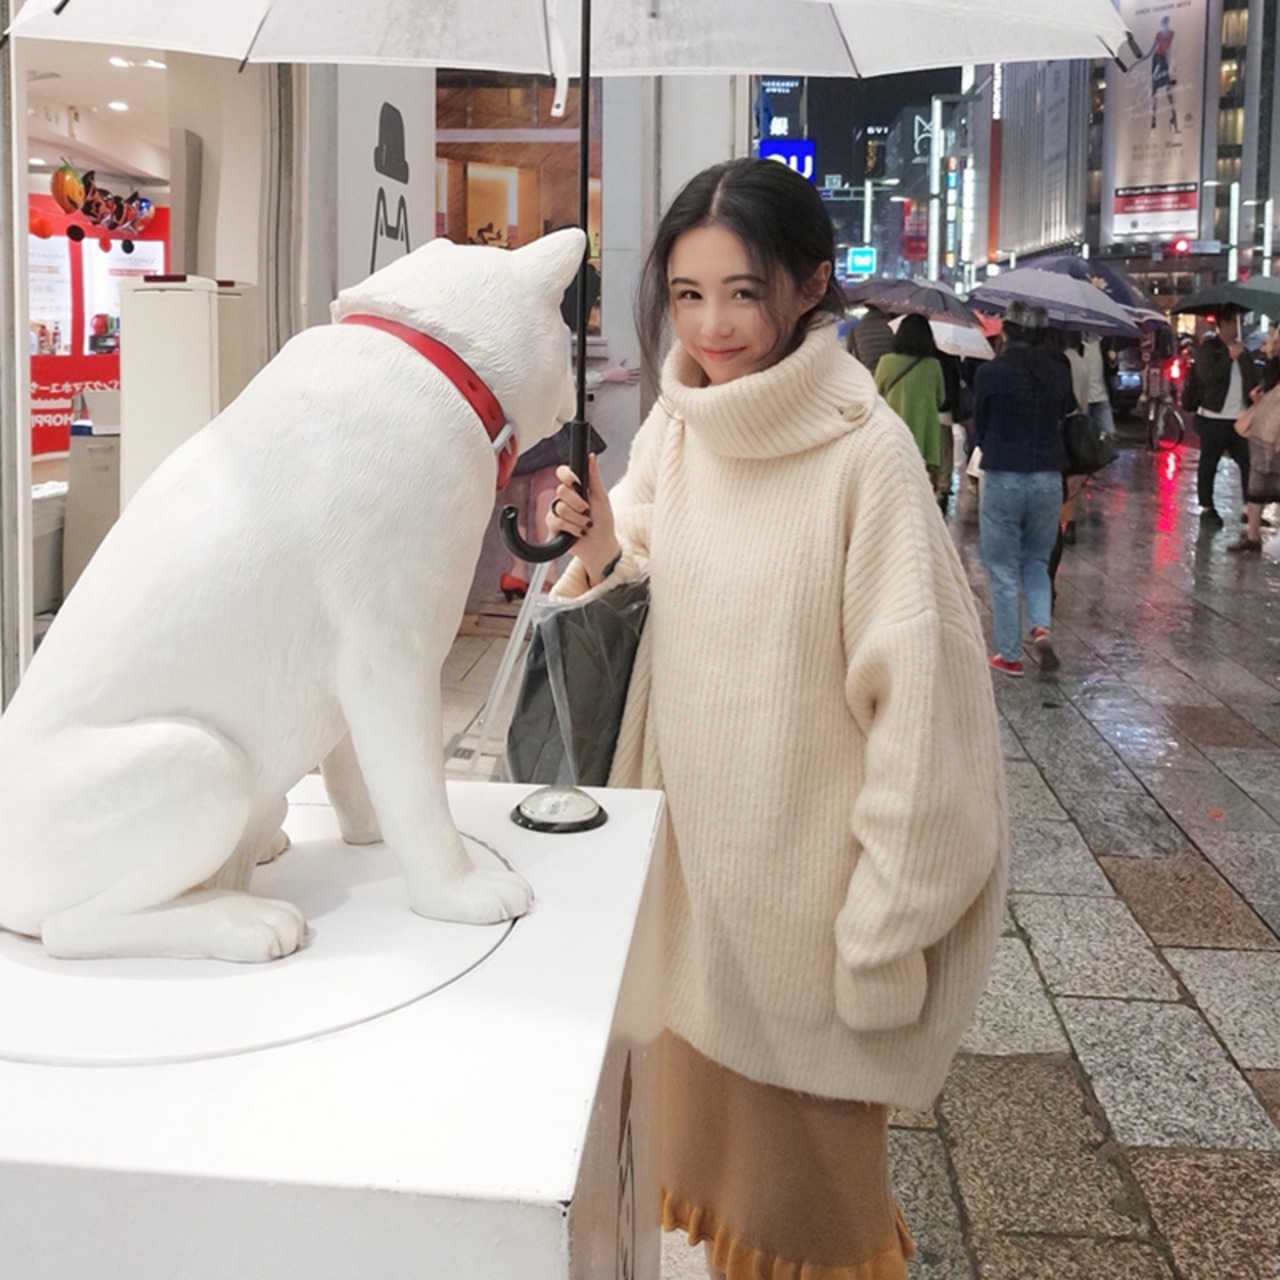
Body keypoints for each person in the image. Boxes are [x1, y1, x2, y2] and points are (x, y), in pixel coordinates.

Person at [544, 158, 1006, 1280]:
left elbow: (927, 730)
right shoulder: (680, 427)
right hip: (690, 916)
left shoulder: (864, 457)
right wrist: (599, 542)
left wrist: (880, 938)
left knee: (810, 1235)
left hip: (808, 939)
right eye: (688, 293)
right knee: (711, 1208)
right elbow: (640, 576)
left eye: (742, 292)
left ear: (808, 283)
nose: (712, 327)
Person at [972, 301, 1075, 676]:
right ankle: (1041, 627)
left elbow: (980, 427)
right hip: (1048, 476)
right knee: (1036, 561)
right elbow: (1066, 413)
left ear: (1007, 331)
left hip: (1003, 474)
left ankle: (1009, 654)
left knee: (1001, 568)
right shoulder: (1058, 369)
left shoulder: (990, 373)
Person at [1182, 309, 1256, 525]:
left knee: (1247, 463)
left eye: (1238, 322)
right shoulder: (1209, 349)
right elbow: (1208, 378)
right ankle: (1207, 506)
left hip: (1239, 418)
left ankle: (1250, 508)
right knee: (1209, 463)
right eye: (1232, 322)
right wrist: (1228, 358)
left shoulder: (1243, 351)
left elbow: (1251, 379)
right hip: (1213, 417)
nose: (1236, 327)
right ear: (1222, 324)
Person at [873, 314, 947, 513]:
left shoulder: (886, 362)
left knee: (894, 485)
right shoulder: (933, 365)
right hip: (925, 434)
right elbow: (940, 398)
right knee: (920, 488)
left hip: (893, 432)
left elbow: (876, 394)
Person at [1227, 324, 1280, 553]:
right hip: (1265, 429)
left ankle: (1254, 536)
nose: (1271, 338)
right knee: (1257, 480)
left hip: (1272, 430)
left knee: (1264, 478)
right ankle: (1252, 535)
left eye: (1273, 333)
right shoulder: (1272, 362)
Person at [849, 302, 896, 373]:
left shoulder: (857, 327)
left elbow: (852, 351)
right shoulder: (893, 324)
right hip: (890, 370)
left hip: (869, 372)